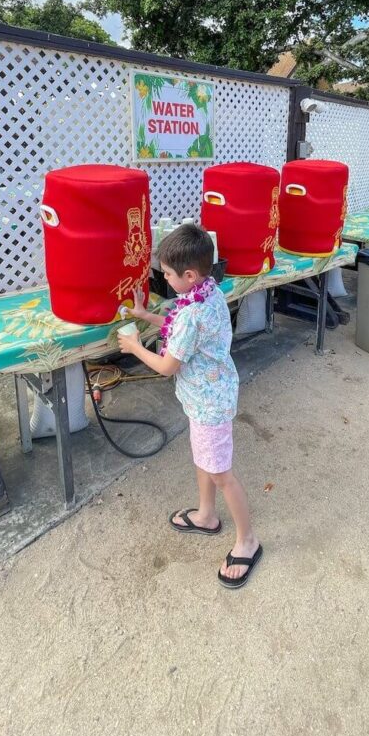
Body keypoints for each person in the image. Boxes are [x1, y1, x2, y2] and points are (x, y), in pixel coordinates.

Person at [118, 223, 262, 589]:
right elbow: (177, 323)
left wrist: (135, 347)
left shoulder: (194, 311)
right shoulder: (207, 291)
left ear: (189, 275)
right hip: (206, 398)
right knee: (206, 461)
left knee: (221, 473)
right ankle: (206, 514)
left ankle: (248, 541)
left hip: (209, 404)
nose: (163, 278)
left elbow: (167, 366)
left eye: (166, 274)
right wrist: (146, 317)